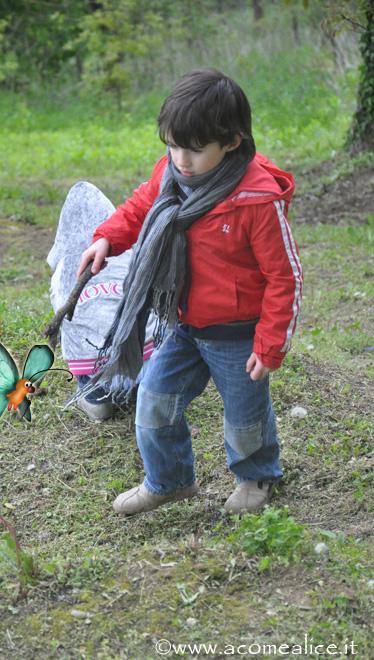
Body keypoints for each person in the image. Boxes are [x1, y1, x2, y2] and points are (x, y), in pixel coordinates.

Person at [77, 68, 302, 514]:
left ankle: (255, 477)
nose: (181, 159)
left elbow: (285, 277)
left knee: (245, 417)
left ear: (232, 141)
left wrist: (270, 342)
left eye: (195, 150)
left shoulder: (257, 199)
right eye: (173, 145)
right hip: (182, 325)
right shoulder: (173, 173)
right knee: (153, 401)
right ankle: (170, 480)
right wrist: (107, 237)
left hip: (238, 334)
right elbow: (141, 204)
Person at [47, 182, 156, 421]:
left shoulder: (66, 269)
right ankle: (146, 387)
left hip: (98, 368)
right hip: (146, 362)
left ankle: (96, 398)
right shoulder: (132, 252)